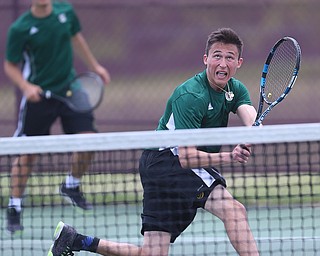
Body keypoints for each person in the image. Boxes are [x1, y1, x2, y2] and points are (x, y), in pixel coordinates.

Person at [48, 28, 260, 256]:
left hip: (156, 165)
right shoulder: (191, 96)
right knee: (234, 211)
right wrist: (230, 156)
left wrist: (253, 129)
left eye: (229, 57)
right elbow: (186, 158)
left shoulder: (234, 89)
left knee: (152, 253)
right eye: (217, 55)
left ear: (238, 63)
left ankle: (76, 240)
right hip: (169, 161)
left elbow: (247, 110)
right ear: (206, 59)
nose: (222, 63)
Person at [4, 0, 111, 233]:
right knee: (29, 154)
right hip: (39, 96)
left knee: (89, 140)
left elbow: (76, 37)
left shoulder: (65, 11)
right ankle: (14, 206)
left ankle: (71, 186)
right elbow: (10, 65)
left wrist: (95, 66)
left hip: (70, 89)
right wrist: (25, 86)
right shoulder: (20, 28)